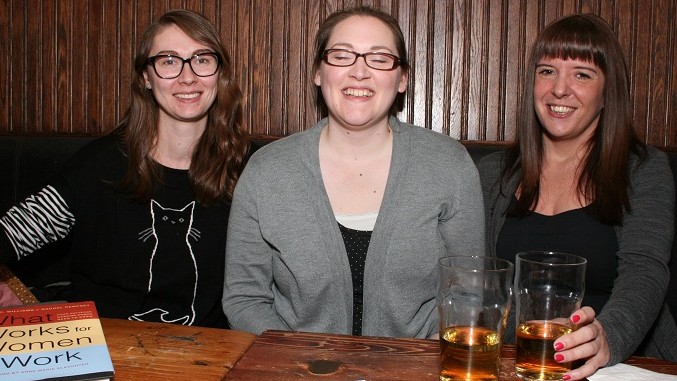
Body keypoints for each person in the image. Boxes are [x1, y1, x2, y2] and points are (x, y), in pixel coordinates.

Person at [223, 6, 484, 338]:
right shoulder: (266, 172)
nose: (359, 72)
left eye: (379, 58)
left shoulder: (450, 166)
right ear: (318, 72)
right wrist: (304, 363)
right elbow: (244, 300)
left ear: (402, 78)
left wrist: (422, 361)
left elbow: (471, 291)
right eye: (342, 56)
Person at [0, 9, 249, 328]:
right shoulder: (99, 165)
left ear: (220, 73)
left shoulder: (250, 169)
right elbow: (13, 232)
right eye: (169, 61)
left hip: (206, 356)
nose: (188, 77)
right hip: (103, 350)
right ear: (146, 77)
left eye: (201, 59)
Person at [478, 13, 677, 380]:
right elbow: (481, 288)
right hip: (514, 364)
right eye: (547, 71)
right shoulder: (493, 174)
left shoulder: (643, 170)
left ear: (607, 93)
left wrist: (607, 337)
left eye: (582, 74)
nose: (559, 89)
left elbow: (645, 271)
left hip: (623, 365)